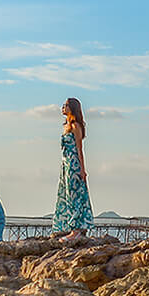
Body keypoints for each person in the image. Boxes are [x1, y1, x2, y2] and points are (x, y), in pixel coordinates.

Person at [53, 97, 92, 235]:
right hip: (65, 164)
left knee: (75, 195)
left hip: (74, 164)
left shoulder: (76, 126)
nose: (63, 107)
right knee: (65, 194)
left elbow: (80, 150)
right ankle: (66, 226)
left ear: (72, 108)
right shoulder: (66, 126)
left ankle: (76, 229)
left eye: (66, 105)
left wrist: (82, 169)